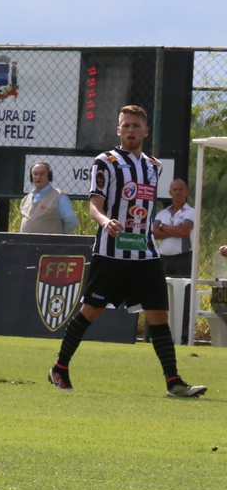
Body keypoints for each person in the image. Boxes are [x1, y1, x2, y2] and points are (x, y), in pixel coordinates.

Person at [49, 106, 206, 398]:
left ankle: (173, 382)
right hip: (111, 253)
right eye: (126, 125)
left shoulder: (154, 165)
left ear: (146, 131)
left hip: (145, 254)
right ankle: (60, 367)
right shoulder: (105, 162)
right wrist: (105, 221)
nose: (131, 130)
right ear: (118, 130)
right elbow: (94, 205)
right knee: (90, 311)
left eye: (136, 125)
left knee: (158, 314)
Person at [154, 179, 196, 279]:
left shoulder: (191, 212)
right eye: (175, 189)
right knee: (163, 287)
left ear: (186, 192)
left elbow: (184, 231)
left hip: (183, 258)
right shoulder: (162, 213)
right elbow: (154, 233)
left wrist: (163, 227)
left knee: (182, 288)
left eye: (181, 189)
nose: (178, 192)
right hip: (163, 259)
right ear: (170, 193)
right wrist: (176, 231)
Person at [21, 161, 78, 234]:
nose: (38, 177)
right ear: (31, 177)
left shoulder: (59, 197)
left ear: (49, 176)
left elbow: (72, 222)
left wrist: (59, 235)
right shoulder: (26, 199)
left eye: (42, 174)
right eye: (35, 174)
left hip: (51, 241)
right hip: (25, 241)